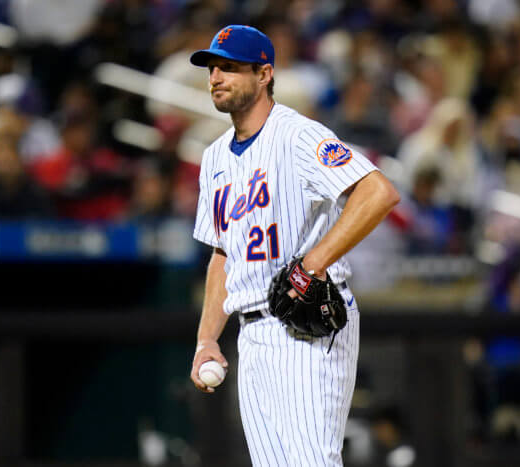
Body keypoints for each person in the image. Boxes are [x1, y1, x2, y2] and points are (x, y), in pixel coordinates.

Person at [188, 25, 400, 466]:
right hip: (251, 334)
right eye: (212, 68)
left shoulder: (298, 135)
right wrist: (207, 338)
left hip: (305, 325)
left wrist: (313, 264)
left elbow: (378, 193)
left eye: (230, 67)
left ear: (264, 74)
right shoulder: (213, 159)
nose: (216, 77)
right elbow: (222, 254)